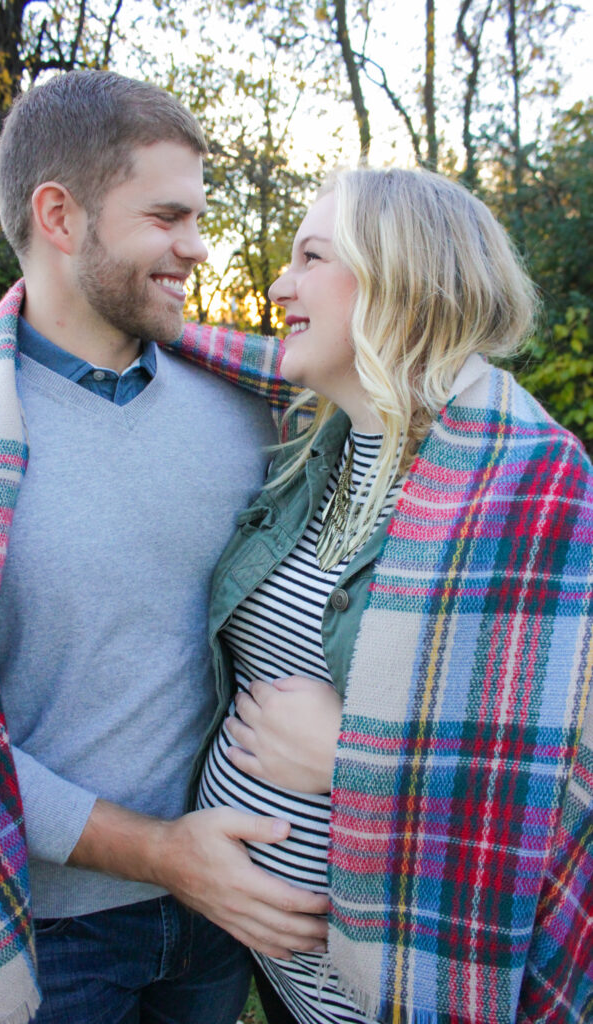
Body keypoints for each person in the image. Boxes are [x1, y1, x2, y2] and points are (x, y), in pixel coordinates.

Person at [0, 70, 329, 1024]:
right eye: (167, 218)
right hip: (46, 930)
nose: (195, 248)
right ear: (61, 215)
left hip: (231, 907)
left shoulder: (253, 410)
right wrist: (159, 851)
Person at [175, 168, 593, 1024]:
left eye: (311, 256)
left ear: (397, 280)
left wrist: (350, 760)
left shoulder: (529, 483)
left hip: (398, 986)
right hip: (281, 974)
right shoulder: (315, 448)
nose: (278, 283)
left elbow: (552, 783)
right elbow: (191, 342)